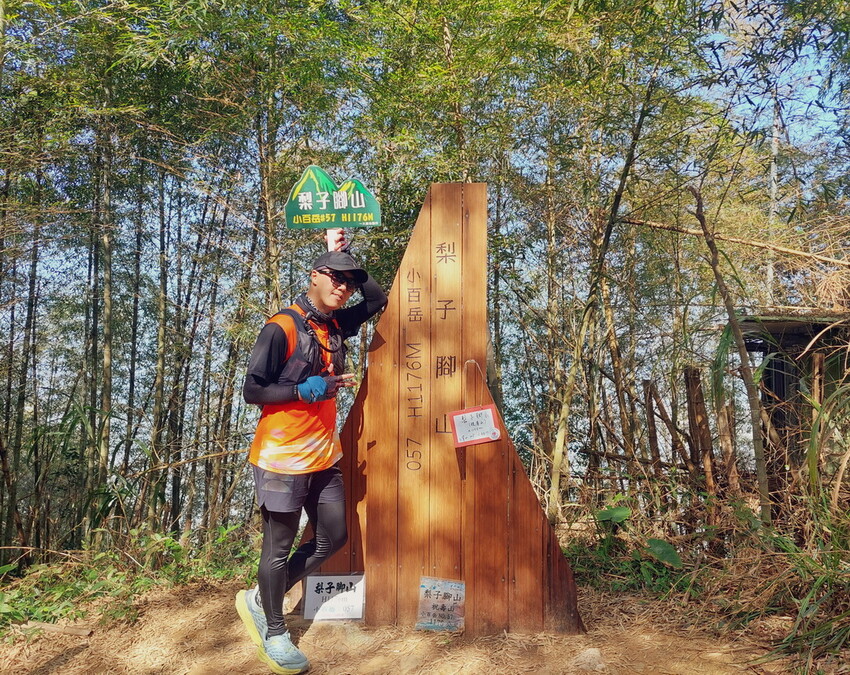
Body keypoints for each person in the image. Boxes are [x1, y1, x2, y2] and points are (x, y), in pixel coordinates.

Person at [236, 236, 386, 675]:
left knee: (331, 538)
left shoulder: (335, 326)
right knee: (278, 548)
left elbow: (377, 297)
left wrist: (345, 251)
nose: (344, 287)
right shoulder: (280, 327)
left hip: (323, 456)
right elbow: (253, 389)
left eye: (349, 282)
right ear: (314, 277)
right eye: (336, 277)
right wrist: (300, 391)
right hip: (282, 457)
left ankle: (262, 595)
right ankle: (275, 630)